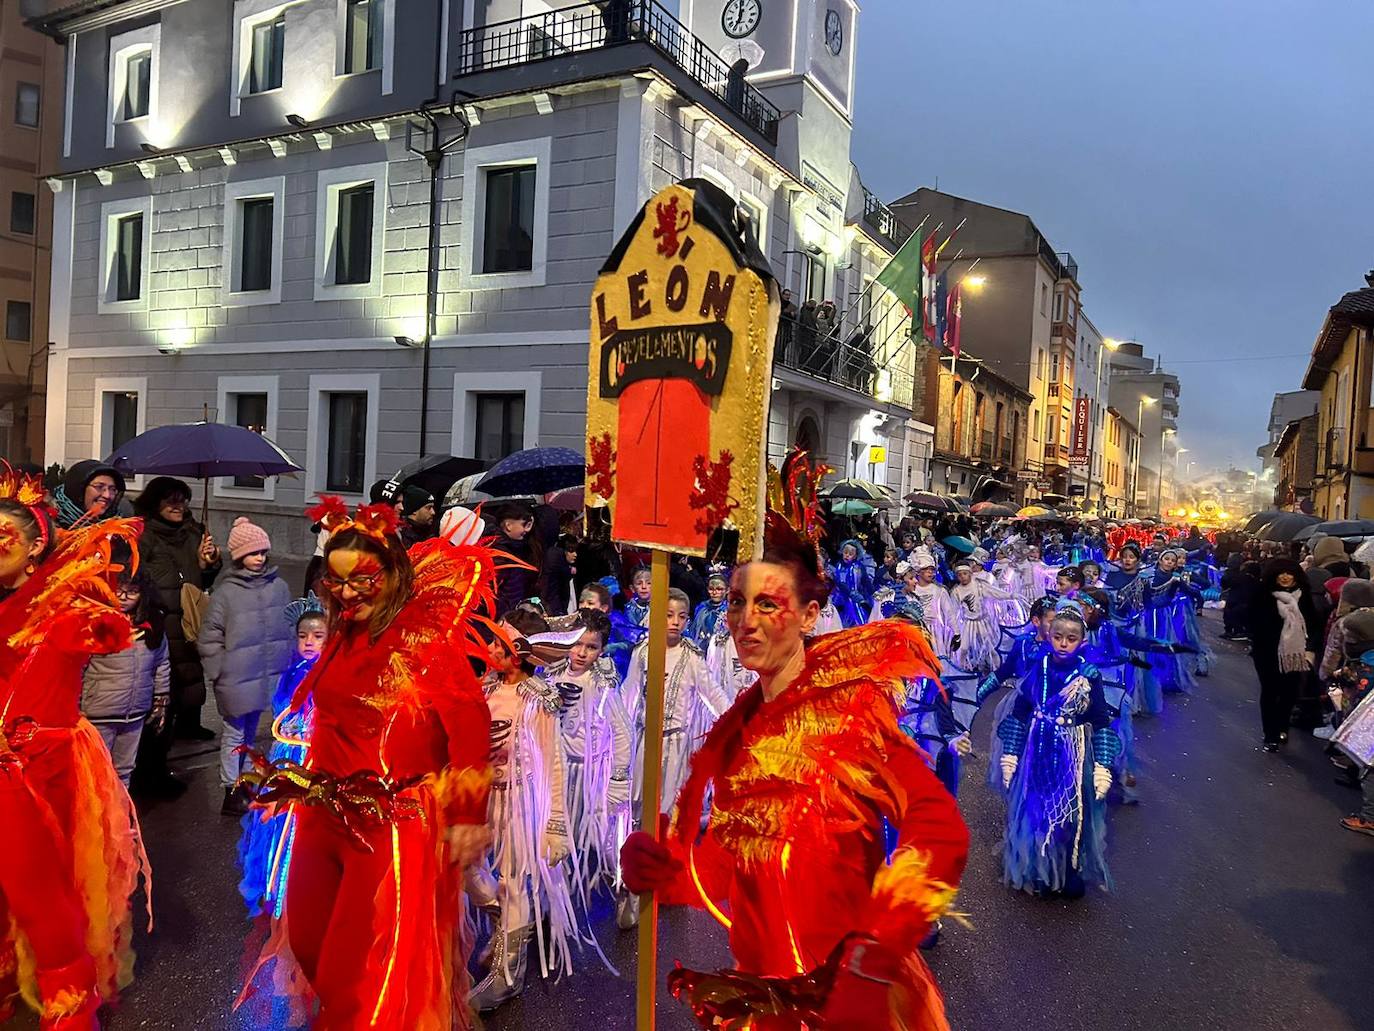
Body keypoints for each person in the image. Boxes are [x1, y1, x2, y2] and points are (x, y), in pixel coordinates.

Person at [619, 453, 969, 1030]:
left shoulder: (849, 716)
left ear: (809, 616)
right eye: (737, 602)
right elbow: (727, 872)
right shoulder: (734, 735)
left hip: (854, 1003)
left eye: (768, 605)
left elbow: (940, 830)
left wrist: (875, 953)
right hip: (767, 1007)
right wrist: (663, 874)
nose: (746, 622)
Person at [237, 497, 494, 1029]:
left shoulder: (426, 644)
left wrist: (468, 815)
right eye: (336, 581)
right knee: (307, 944)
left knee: (356, 973)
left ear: (394, 575)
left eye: (362, 580)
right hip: (323, 811)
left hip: (390, 824)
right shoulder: (342, 635)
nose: (347, 593)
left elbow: (470, 730)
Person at [0, 467, 149, 1027]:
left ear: (38, 544)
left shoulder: (60, 606)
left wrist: (99, 619)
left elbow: (102, 626)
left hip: (36, 773)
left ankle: (69, 1006)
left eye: (3, 537)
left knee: (40, 894)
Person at [469, 607, 586, 1010]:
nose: (487, 648)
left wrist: (554, 824)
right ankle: (504, 919)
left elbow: (552, 760)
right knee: (468, 869)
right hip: (483, 797)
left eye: (496, 643)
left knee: (516, 881)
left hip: (521, 802)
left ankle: (507, 975)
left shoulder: (538, 701)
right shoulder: (482, 688)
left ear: (516, 652)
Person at [996, 601, 1119, 897]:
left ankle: (1067, 871)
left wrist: (1102, 766)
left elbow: (1101, 719)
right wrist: (1010, 753)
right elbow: (1021, 710)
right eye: (1058, 637)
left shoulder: (1088, 675)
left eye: (1071, 638)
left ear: (1082, 642)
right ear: (1049, 635)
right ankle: (1037, 868)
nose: (1063, 644)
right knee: (1035, 810)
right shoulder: (1041, 665)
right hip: (1037, 749)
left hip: (1072, 753)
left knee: (1070, 814)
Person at [237, 597, 327, 918]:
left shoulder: (328, 674)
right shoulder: (290, 672)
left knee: (303, 820)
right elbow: (281, 709)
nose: (309, 642)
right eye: (303, 636)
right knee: (277, 818)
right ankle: (277, 884)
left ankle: (300, 882)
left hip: (312, 758)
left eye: (318, 636)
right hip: (286, 753)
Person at [198, 518, 293, 816]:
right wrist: (219, 671)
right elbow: (210, 636)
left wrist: (289, 664)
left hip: (265, 677)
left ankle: (249, 781)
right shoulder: (227, 593)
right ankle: (231, 788)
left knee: (252, 733)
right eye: (253, 553)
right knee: (234, 735)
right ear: (239, 556)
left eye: (263, 552)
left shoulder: (278, 587)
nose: (260, 558)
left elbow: (288, 627)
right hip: (236, 678)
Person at [541, 609, 632, 903]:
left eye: (591, 647)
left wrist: (618, 779)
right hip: (555, 770)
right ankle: (555, 896)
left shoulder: (601, 684)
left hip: (588, 773)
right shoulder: (551, 674)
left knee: (595, 835)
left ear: (601, 650)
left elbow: (622, 731)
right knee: (555, 832)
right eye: (577, 644)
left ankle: (626, 885)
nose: (581, 653)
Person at [132, 476, 221, 756]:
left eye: (182, 500)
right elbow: (134, 573)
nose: (178, 506)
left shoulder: (194, 532)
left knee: (191, 666)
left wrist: (210, 563)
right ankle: (160, 735)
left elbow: (206, 575)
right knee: (167, 673)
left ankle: (190, 724)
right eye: (171, 500)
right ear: (155, 502)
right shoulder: (142, 534)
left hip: (190, 611)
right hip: (160, 613)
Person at [80, 566, 171, 787]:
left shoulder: (152, 627)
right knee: (96, 771)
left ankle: (120, 817)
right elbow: (78, 668)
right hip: (99, 712)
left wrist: (161, 699)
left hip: (135, 712)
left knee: (124, 770)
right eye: (118, 590)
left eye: (132, 591)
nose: (123, 597)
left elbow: (161, 663)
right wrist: (75, 706)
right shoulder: (95, 623)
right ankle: (97, 819)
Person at [1248, 558, 1324, 752]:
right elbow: (1251, 620)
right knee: (1270, 691)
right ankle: (1270, 734)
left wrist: (1310, 649)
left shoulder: (1303, 596)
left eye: (1289, 573)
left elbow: (1314, 624)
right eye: (1280, 573)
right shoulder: (1262, 594)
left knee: (1290, 692)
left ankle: (1283, 725)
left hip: (1295, 654)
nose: (1285, 577)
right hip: (1267, 652)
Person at [490, 501, 541, 615]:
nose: (527, 530)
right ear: (509, 525)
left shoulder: (516, 548)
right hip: (503, 618)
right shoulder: (499, 553)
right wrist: (507, 614)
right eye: (525, 524)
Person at [686, 566, 729, 644]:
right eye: (711, 589)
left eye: (719, 589)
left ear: (727, 590)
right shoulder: (702, 608)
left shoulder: (730, 611)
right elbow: (694, 631)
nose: (714, 592)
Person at [397, 485, 437, 550]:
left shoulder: (431, 533)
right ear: (414, 510)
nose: (433, 512)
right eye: (428, 508)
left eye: (433, 508)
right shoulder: (400, 537)